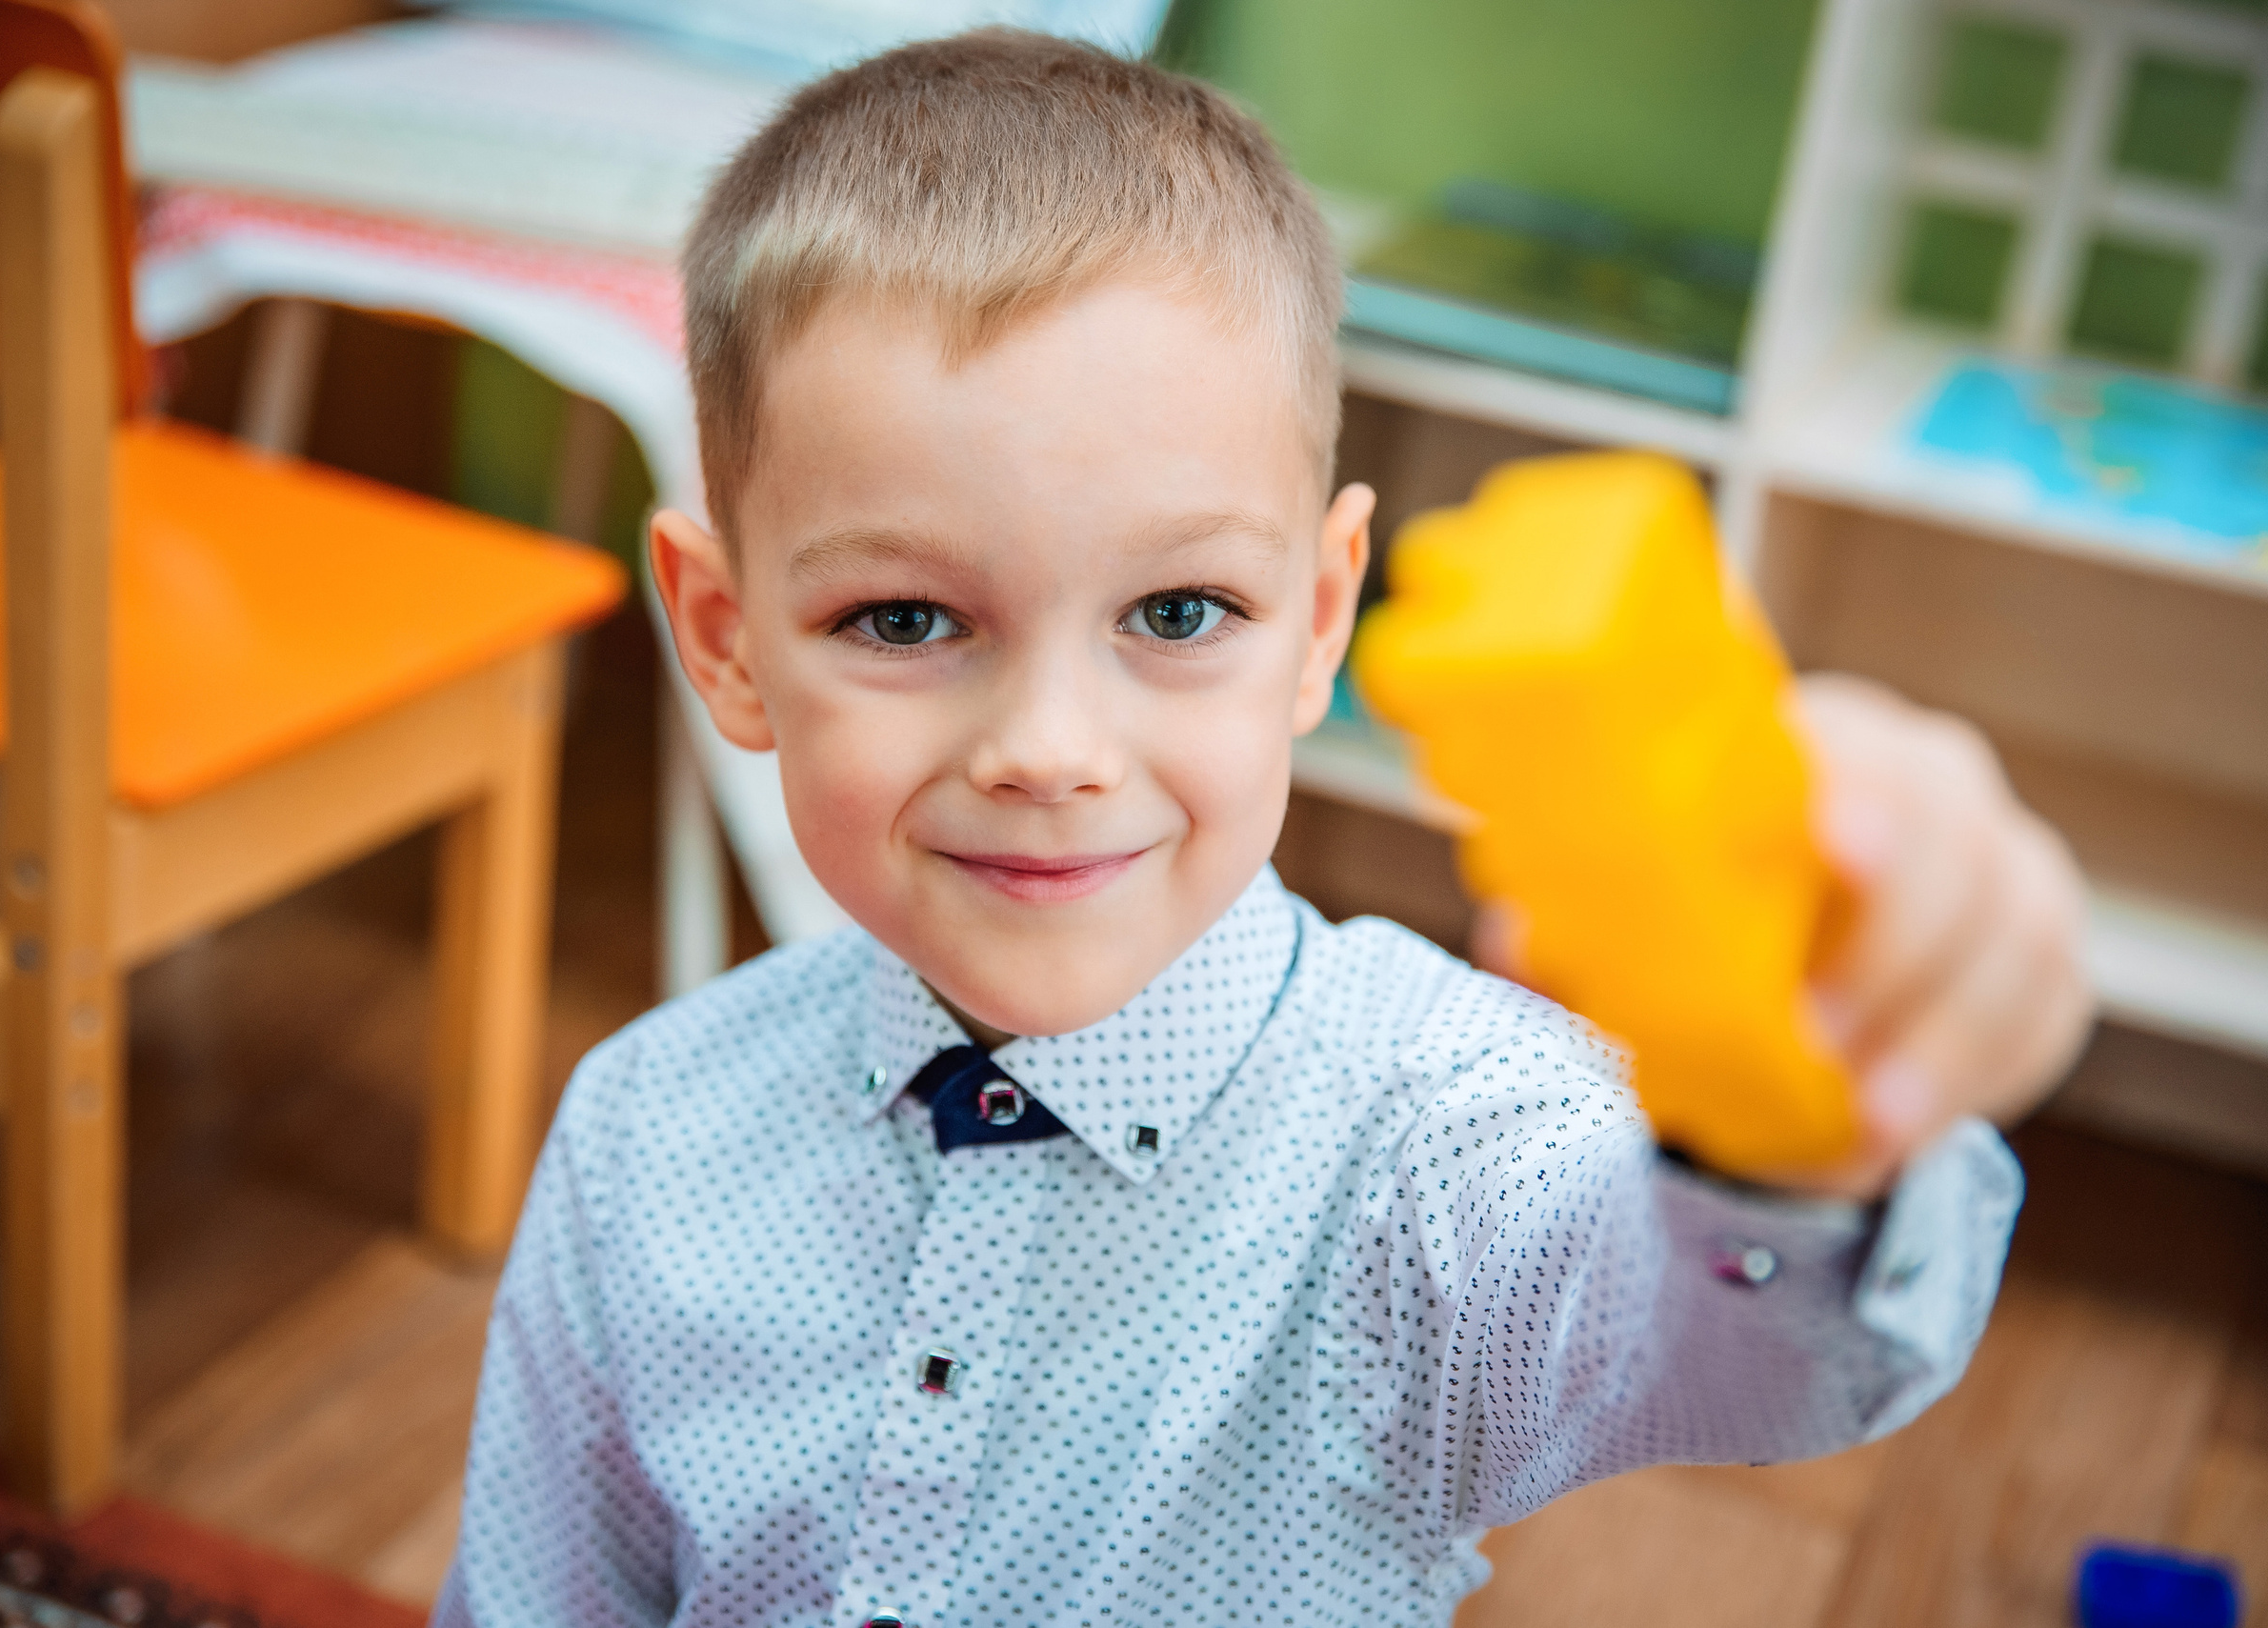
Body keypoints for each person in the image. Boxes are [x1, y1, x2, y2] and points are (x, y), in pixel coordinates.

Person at [432, 30, 2091, 1628]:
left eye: (1175, 607)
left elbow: (1749, 1360)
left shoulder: (1442, 1138)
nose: (1051, 751)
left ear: (1316, 619)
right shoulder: (644, 1128)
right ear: (724, 638)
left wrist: (1800, 1118)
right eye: (906, 621)